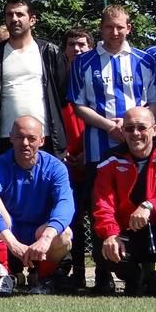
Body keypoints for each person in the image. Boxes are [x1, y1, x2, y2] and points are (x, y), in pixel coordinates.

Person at [70, 5, 156, 293]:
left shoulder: (145, 60)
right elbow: (78, 104)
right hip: (99, 147)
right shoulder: (83, 63)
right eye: (109, 27)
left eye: (120, 26)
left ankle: (149, 270)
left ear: (129, 28)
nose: (114, 32)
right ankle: (103, 273)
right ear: (101, 28)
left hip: (139, 148)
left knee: (142, 204)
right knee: (100, 207)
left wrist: (133, 125)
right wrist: (109, 126)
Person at [92, 106, 156, 298]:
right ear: (123, 131)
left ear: (154, 130)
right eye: (129, 128)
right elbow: (102, 203)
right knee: (102, 243)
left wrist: (150, 205)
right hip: (127, 233)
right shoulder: (111, 159)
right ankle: (136, 278)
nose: (135, 133)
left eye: (141, 128)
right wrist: (110, 234)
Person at [0, 116, 74, 296]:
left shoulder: (56, 167)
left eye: (31, 138)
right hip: (9, 234)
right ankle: (4, 276)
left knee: (65, 234)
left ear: (42, 140)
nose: (25, 143)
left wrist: (46, 238)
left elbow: (66, 203)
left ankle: (43, 278)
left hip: (39, 235)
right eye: (19, 137)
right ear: (11, 138)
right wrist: (12, 242)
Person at [0, 0, 67, 158]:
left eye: (20, 14)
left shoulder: (50, 52)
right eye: (9, 14)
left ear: (32, 19)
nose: (14, 19)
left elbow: (61, 95)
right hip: (6, 138)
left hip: (44, 137)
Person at [61, 27, 94, 290]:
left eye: (82, 44)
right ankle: (75, 272)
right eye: (72, 44)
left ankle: (104, 273)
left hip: (92, 159)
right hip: (65, 163)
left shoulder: (97, 80)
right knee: (70, 220)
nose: (77, 49)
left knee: (97, 217)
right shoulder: (57, 83)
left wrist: (88, 153)